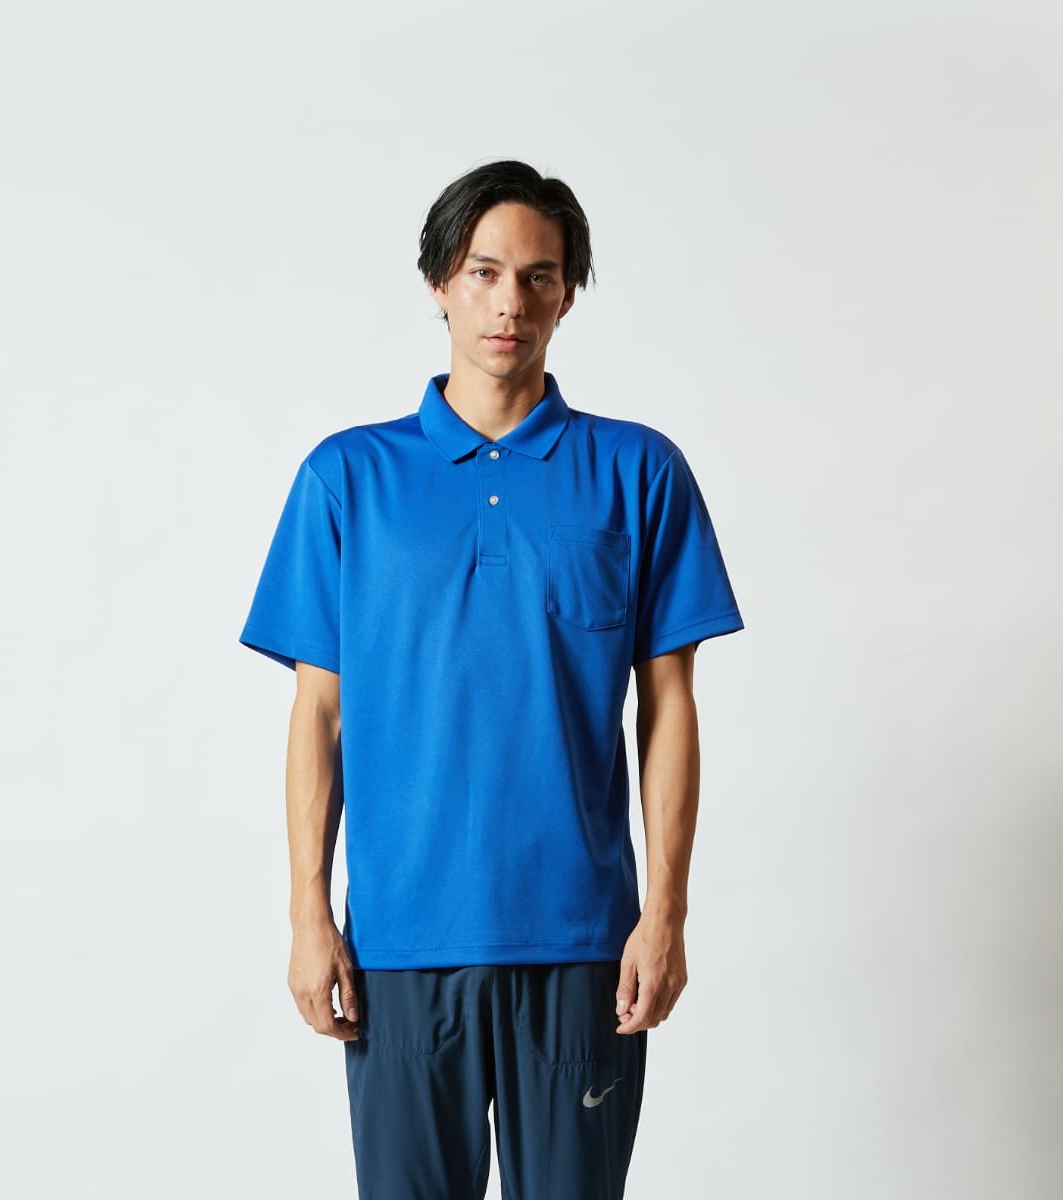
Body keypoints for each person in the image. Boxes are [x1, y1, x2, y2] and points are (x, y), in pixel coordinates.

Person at [239, 159, 744, 1199]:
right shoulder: (348, 479)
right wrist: (307, 916)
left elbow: (670, 708)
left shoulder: (639, 473)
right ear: (440, 282)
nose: (511, 301)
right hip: (398, 946)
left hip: (583, 944)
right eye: (484, 272)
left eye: (539, 276)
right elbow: (319, 714)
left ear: (568, 294)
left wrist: (666, 913)